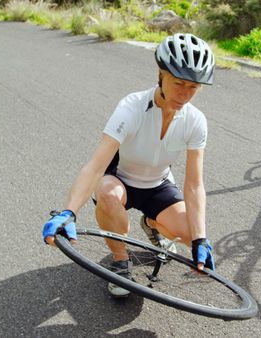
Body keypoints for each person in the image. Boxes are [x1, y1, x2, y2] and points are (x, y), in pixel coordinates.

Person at [42, 33, 216, 298]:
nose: (184, 94)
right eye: (178, 83)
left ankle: (152, 222)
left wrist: (201, 237)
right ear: (161, 73)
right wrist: (69, 211)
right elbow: (96, 165)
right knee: (109, 195)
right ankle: (120, 262)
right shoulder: (132, 107)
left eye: (193, 87)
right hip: (119, 181)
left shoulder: (196, 120)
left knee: (191, 234)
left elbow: (194, 184)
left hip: (158, 185)